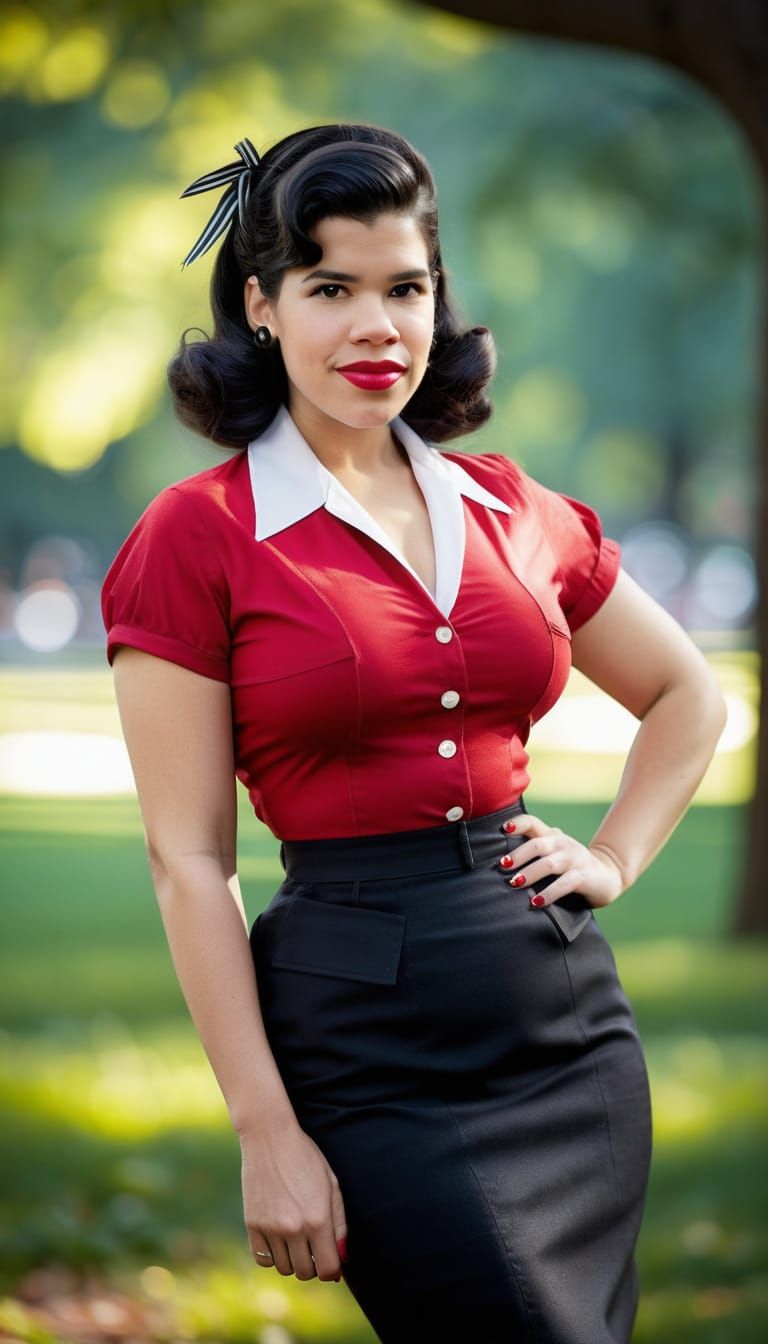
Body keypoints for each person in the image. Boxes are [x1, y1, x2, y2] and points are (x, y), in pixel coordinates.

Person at [100, 123, 727, 1343]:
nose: (376, 326)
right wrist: (265, 1131)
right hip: (363, 1046)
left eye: (405, 287)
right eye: (331, 289)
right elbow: (190, 860)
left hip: (564, 1029)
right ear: (262, 306)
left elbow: (688, 697)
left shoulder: (511, 506)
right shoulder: (197, 535)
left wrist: (613, 857)